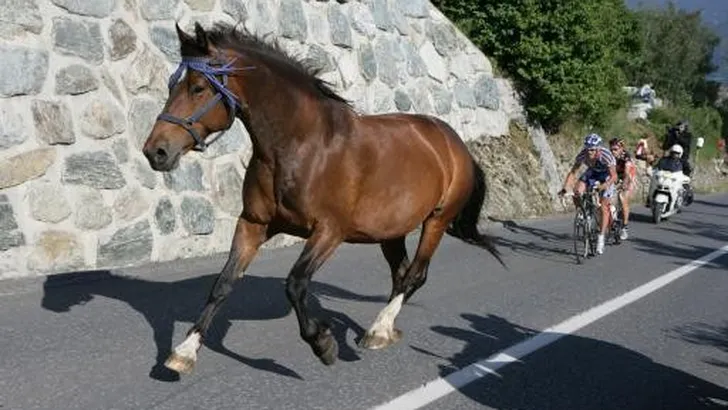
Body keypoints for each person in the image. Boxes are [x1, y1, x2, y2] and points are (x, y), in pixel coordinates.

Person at [558, 133, 618, 255]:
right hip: (592, 173)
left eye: (592, 149)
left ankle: (601, 237)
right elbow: (573, 173)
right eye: (587, 149)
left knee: (604, 206)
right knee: (577, 191)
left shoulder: (606, 155)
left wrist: (604, 186)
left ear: (598, 149)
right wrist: (565, 188)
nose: (589, 152)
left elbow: (614, 176)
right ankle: (583, 213)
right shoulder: (583, 155)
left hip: (606, 177)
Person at [609, 137, 636, 240]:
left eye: (615, 149)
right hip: (615, 175)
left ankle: (625, 227)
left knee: (622, 198)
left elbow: (627, 173)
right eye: (611, 149)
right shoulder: (609, 156)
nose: (613, 152)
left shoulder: (626, 157)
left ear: (621, 149)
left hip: (628, 175)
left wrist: (624, 185)